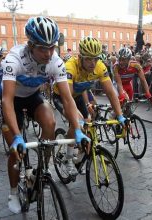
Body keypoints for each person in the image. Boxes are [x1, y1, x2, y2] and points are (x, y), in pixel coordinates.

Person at [2, 16, 89, 214]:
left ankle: (42, 168)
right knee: (16, 151)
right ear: (30, 44)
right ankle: (14, 191)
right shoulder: (14, 58)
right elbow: (6, 100)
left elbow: (67, 99)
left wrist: (77, 130)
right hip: (13, 100)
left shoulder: (56, 61)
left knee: (50, 122)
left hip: (33, 96)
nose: (49, 53)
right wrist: (16, 136)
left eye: (52, 47)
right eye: (43, 48)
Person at [52, 36, 126, 174]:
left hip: (78, 95)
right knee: (78, 123)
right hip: (62, 97)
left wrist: (120, 116)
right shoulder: (70, 67)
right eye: (88, 59)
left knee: (87, 122)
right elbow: (68, 98)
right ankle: (68, 157)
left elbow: (111, 93)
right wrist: (77, 123)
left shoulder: (99, 66)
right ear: (80, 57)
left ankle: (79, 155)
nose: (93, 63)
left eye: (96, 58)